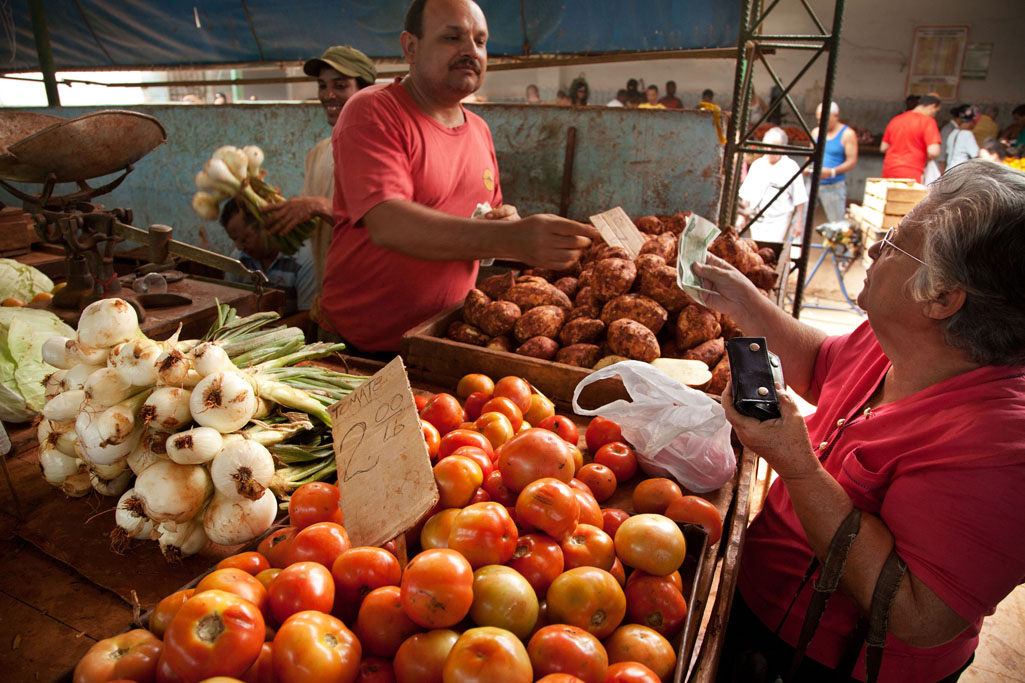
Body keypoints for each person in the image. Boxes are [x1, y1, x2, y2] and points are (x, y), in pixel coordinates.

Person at [697, 159, 1025, 683]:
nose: (873, 248)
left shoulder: (1003, 450)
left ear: (941, 297)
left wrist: (798, 468)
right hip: (759, 603)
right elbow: (824, 366)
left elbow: (919, 617)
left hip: (828, 662)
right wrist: (745, 302)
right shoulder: (901, 339)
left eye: (894, 242)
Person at [320, 0, 600, 354]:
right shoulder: (374, 110)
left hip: (441, 339)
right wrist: (510, 237)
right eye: (453, 37)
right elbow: (388, 222)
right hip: (360, 346)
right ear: (411, 47)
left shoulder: (479, 130)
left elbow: (484, 222)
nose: (471, 51)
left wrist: (507, 225)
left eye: (480, 41)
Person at [262, 46, 377, 317]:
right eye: (322, 86)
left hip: (370, 301)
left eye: (340, 86)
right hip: (329, 298)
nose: (328, 95)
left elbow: (388, 228)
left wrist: (318, 206)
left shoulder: (382, 150)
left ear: (364, 91)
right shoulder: (318, 154)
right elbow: (312, 226)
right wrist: (276, 210)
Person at [220, 199, 316, 316]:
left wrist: (267, 332)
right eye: (235, 240)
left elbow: (307, 315)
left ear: (265, 226)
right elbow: (227, 306)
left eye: (244, 240)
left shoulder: (303, 258)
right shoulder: (239, 258)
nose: (240, 247)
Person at [737, 127, 808, 242]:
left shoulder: (791, 167)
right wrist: (742, 216)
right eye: (768, 146)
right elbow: (747, 193)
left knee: (770, 246)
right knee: (757, 245)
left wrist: (798, 222)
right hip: (756, 216)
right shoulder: (757, 165)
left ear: (783, 148)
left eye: (775, 147)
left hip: (780, 218)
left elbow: (800, 199)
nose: (770, 150)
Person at [809, 101, 858, 223]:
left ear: (836, 116)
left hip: (834, 185)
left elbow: (852, 160)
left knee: (837, 224)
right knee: (801, 219)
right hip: (812, 182)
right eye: (818, 119)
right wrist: (808, 168)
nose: (821, 122)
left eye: (824, 119)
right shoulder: (816, 132)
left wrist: (832, 171)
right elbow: (809, 157)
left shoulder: (847, 134)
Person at [880, 94, 942, 181]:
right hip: (912, 171)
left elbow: (883, 147)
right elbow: (933, 151)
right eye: (936, 111)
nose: (935, 114)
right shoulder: (928, 122)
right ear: (932, 106)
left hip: (889, 170)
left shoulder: (896, 119)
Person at [944, 104, 980, 172]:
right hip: (959, 172)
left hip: (948, 171)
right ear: (973, 121)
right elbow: (976, 155)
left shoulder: (953, 133)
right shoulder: (967, 134)